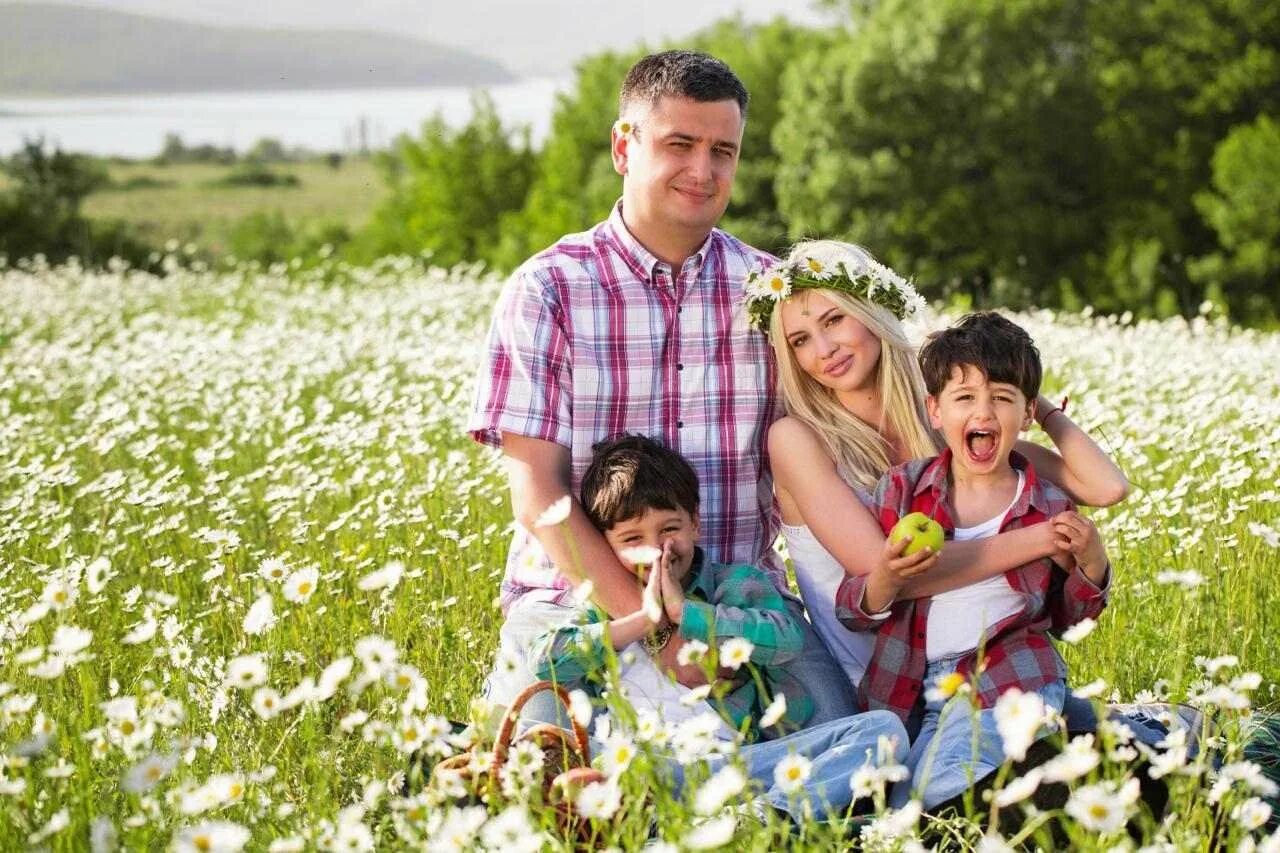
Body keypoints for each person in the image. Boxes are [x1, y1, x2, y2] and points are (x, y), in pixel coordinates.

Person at [467, 52, 855, 726]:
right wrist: (656, 629)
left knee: (864, 755)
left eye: (722, 151)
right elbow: (540, 495)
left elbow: (854, 436)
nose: (703, 170)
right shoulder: (547, 290)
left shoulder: (773, 296)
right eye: (680, 144)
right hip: (575, 608)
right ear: (625, 146)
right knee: (552, 792)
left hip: (740, 604)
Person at [756, 240, 1127, 692]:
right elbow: (895, 574)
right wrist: (1038, 539)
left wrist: (1036, 406)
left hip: (980, 666)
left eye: (834, 320)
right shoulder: (797, 439)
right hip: (881, 681)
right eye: (800, 340)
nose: (823, 349)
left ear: (872, 310)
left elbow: (1105, 488)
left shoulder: (944, 418)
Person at [531, 433, 907, 819]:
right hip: (638, 773)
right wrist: (642, 620)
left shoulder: (734, 586)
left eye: (669, 529)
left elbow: (788, 639)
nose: (658, 549)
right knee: (548, 760)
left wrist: (686, 615)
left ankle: (762, 817)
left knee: (883, 731)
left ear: (694, 522)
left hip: (736, 768)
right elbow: (545, 662)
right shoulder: (600, 606)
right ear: (605, 544)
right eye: (632, 538)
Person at [833, 312, 1111, 808]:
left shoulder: (1047, 502)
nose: (983, 412)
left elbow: (1071, 621)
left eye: (1002, 399)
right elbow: (852, 610)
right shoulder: (902, 489)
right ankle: (1066, 763)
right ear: (934, 411)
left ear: (1025, 415)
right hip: (910, 687)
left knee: (933, 799)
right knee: (891, 804)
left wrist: (1091, 566)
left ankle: (1048, 772)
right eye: (964, 398)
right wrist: (886, 576)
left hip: (1009, 675)